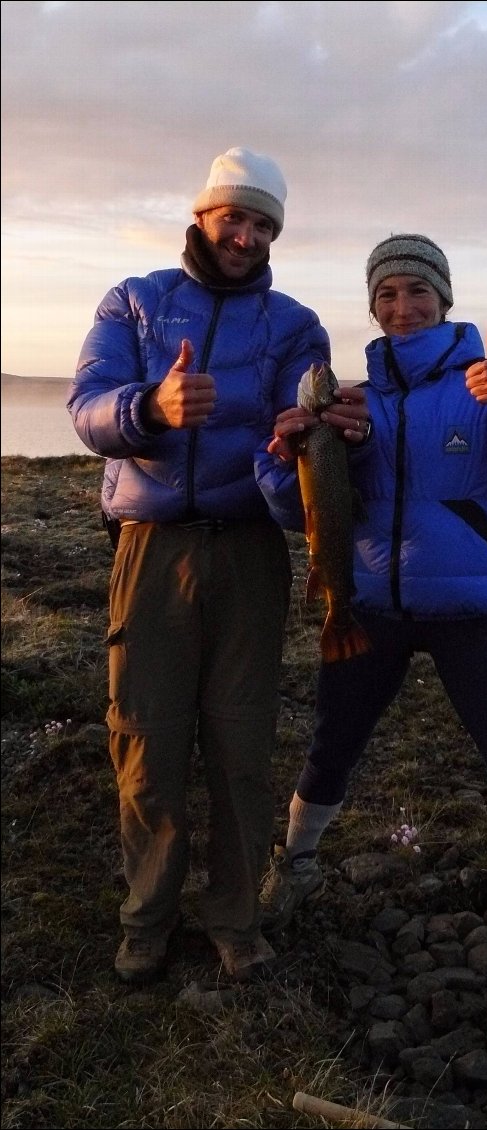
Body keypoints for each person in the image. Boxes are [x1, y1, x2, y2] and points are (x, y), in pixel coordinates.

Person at [255, 233, 487, 1019]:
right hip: (370, 611)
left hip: (471, 614)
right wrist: (285, 451)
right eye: (385, 294)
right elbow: (300, 513)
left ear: (445, 297)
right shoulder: (353, 398)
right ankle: (293, 865)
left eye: (416, 292)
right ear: (372, 305)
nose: (401, 307)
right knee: (332, 746)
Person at [67, 146, 331, 985]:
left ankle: (236, 920)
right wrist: (151, 406)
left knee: (242, 744)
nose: (246, 235)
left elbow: (302, 419)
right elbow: (87, 407)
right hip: (151, 551)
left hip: (251, 551)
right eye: (234, 217)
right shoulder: (135, 302)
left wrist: (302, 437)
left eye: (262, 223)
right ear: (202, 216)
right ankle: (146, 919)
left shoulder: (295, 325)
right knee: (145, 741)